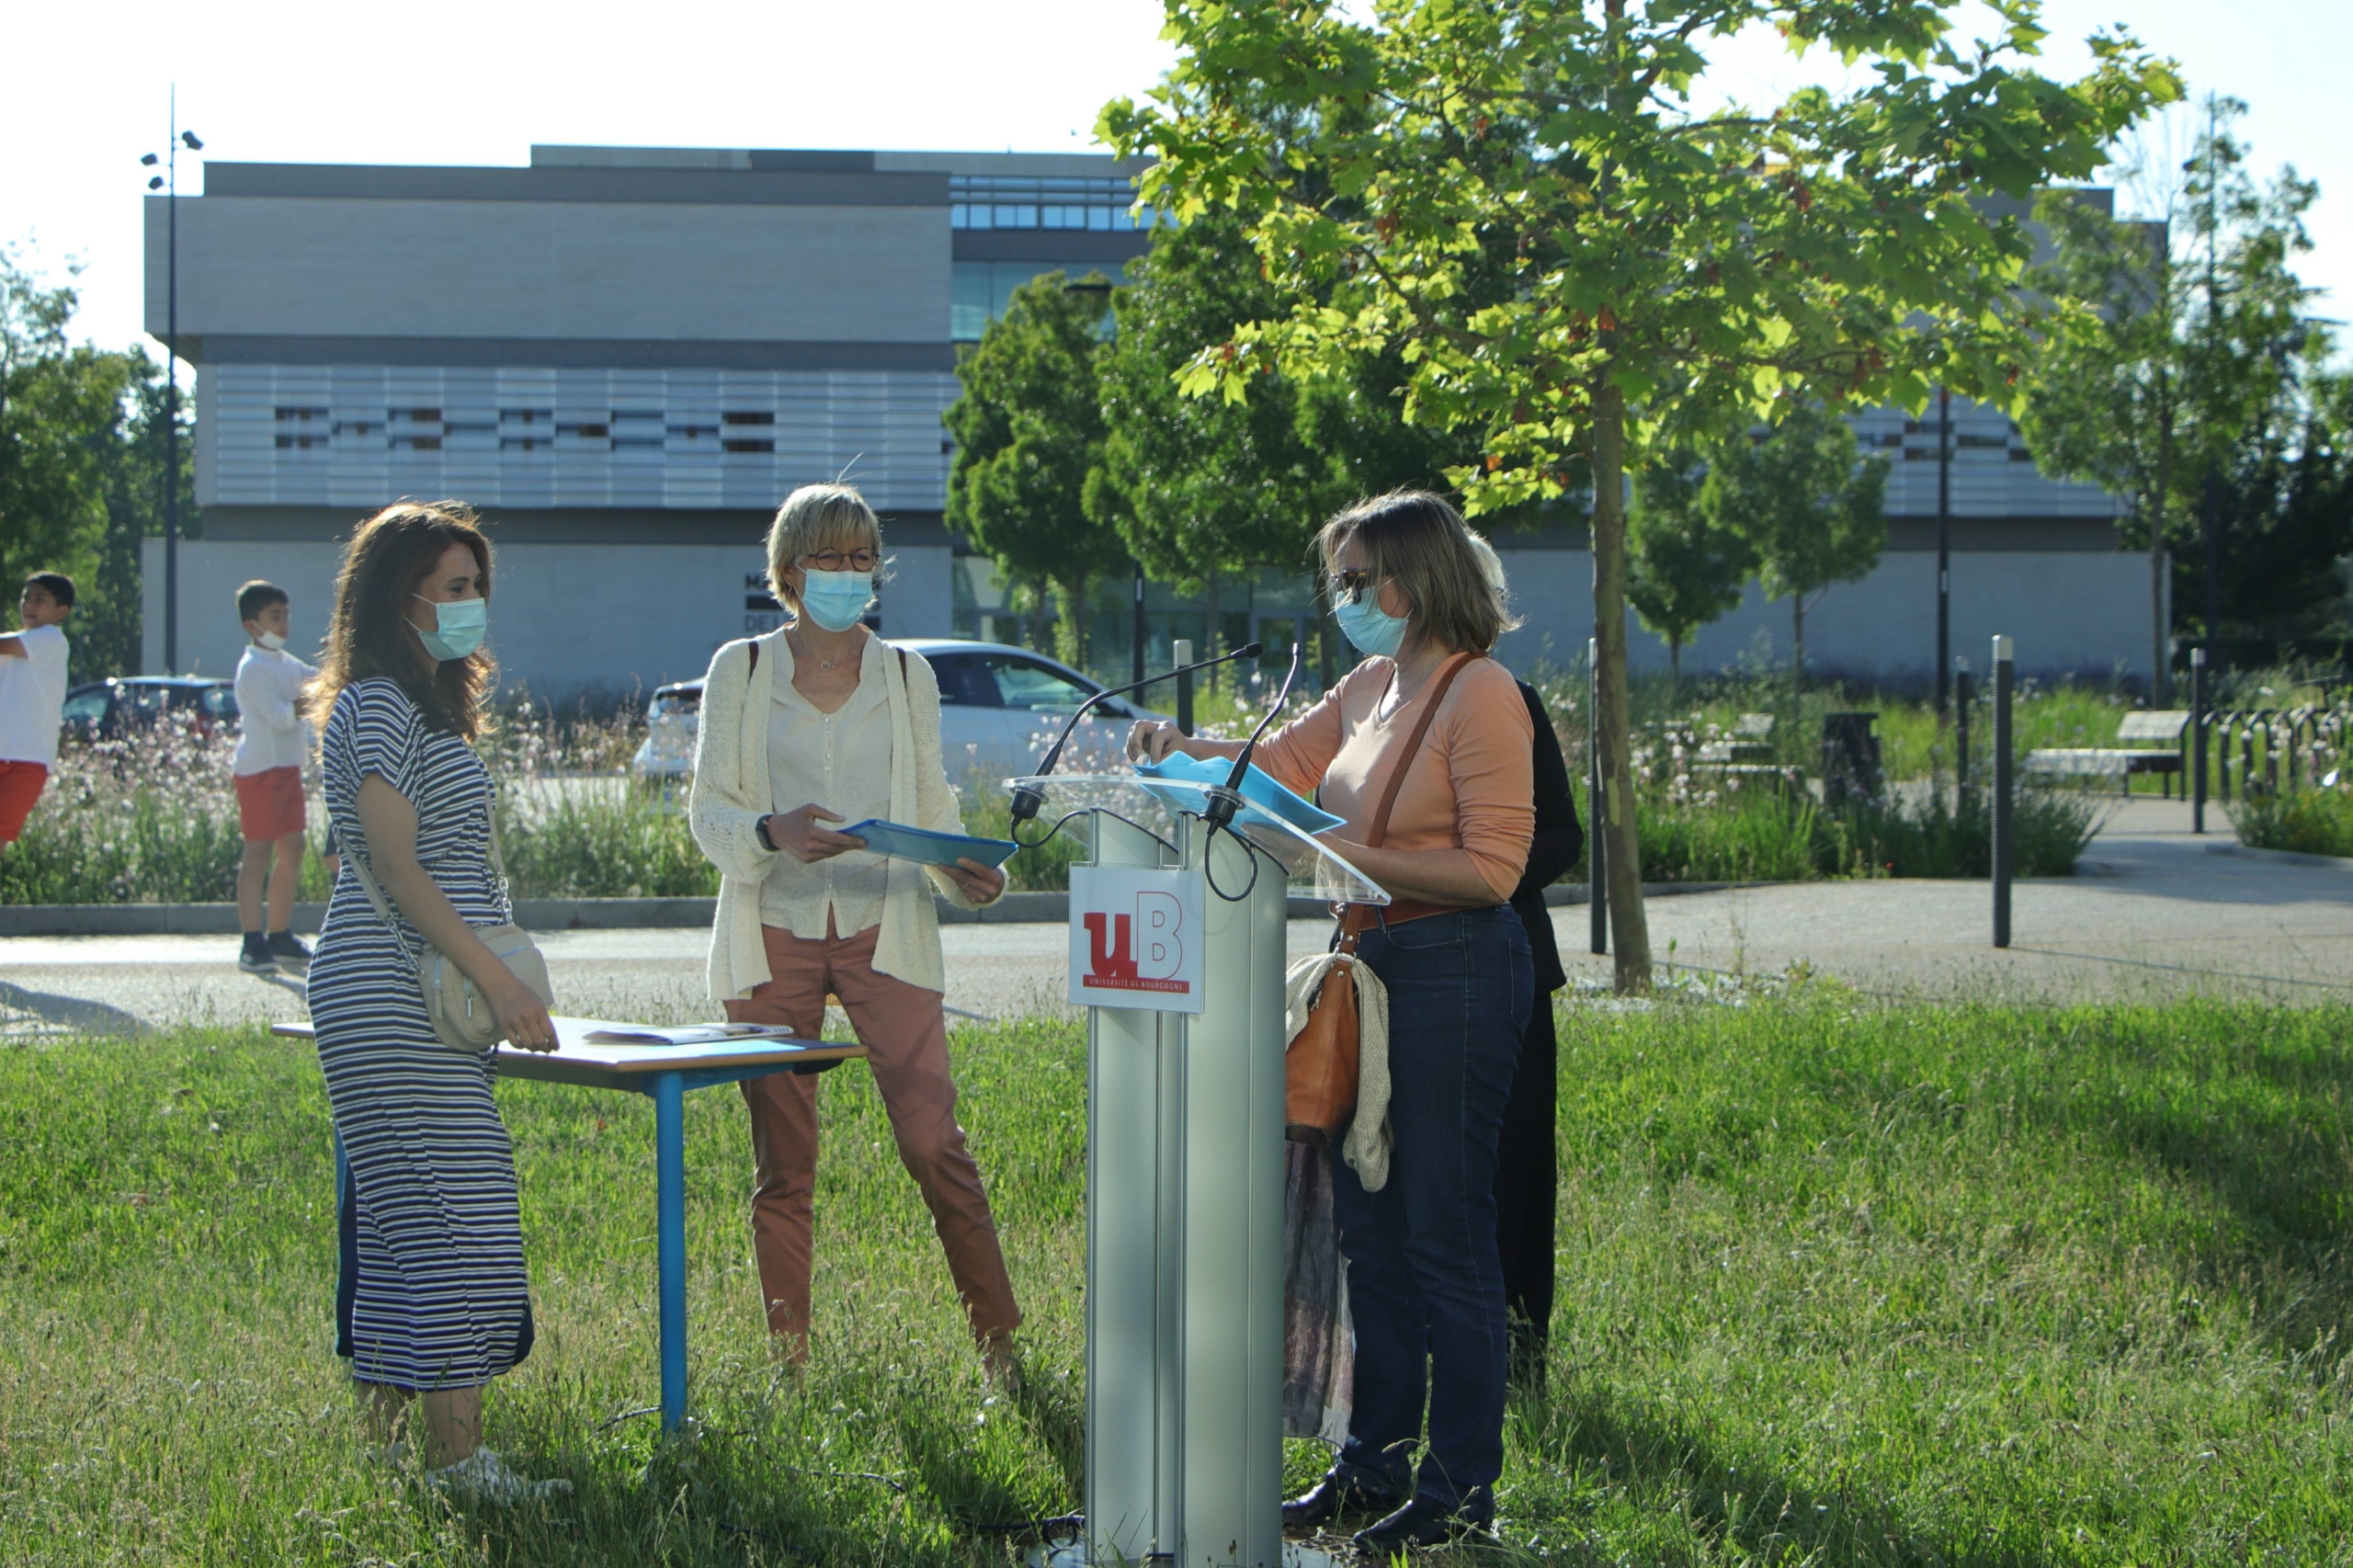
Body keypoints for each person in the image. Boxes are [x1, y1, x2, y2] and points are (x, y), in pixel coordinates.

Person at [1127, 490, 1535, 1551]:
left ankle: (1457, 1493)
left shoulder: (1479, 692)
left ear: (1420, 575)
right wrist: (1184, 748)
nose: (1344, 597)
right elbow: (1277, 768)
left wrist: (1345, 860)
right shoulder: (1367, 683)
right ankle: (1370, 1465)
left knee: (1444, 1232)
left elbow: (1493, 869)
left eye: (1360, 580)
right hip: (1373, 966)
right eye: (1337, 582)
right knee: (1373, 1236)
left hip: (1451, 968)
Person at [688, 483, 1021, 1374]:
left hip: (889, 924)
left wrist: (969, 872)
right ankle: (788, 1362)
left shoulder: (908, 674)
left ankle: (1000, 1351)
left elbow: (933, 803)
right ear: (788, 570)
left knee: (931, 1140)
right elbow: (708, 813)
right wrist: (770, 831)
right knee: (783, 1163)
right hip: (773, 929)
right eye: (828, 558)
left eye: (860, 557)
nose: (846, 573)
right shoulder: (742, 669)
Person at [304, 501, 565, 1503]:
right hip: (393, 983)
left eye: (476, 587)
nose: (472, 606)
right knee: (464, 1219)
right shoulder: (376, 704)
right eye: (453, 587)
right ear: (395, 593)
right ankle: (461, 1464)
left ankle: (383, 1452)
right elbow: (397, 865)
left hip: (405, 985)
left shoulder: (416, 709)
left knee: (401, 1222)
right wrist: (499, 979)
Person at [1461, 537, 1583, 1385]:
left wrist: (1481, 882)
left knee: (1514, 1169)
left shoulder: (1512, 699)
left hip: (1507, 968)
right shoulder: (1374, 705)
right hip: (1392, 971)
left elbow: (1562, 835)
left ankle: (1518, 1350)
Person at [232, 580, 320, 973]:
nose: (284, 623)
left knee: (294, 849)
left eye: (286, 615)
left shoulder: (285, 662)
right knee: (258, 854)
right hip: (261, 773)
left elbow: (317, 678)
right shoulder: (253, 669)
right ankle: (252, 941)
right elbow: (284, 716)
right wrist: (319, 694)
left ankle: (279, 934)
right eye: (274, 616)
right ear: (253, 625)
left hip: (287, 771)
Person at [0, 573, 76, 854]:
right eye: (26, 598)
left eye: (39, 599)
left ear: (61, 611)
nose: (28, 605)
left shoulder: (51, 638)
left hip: (27, 761)